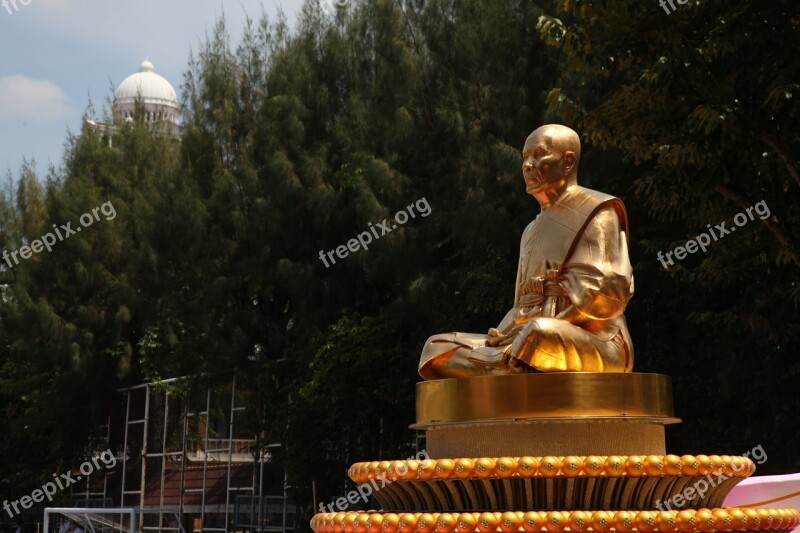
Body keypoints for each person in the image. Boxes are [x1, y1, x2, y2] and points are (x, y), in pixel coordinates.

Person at [418, 124, 634, 379]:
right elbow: (520, 305)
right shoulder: (531, 231)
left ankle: (503, 367)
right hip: (528, 335)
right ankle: (507, 364)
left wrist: (556, 306)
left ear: (568, 161)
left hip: (591, 339)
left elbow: (608, 293)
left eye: (539, 155)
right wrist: (503, 333)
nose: (528, 165)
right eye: (525, 158)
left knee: (537, 335)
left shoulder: (598, 211)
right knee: (437, 347)